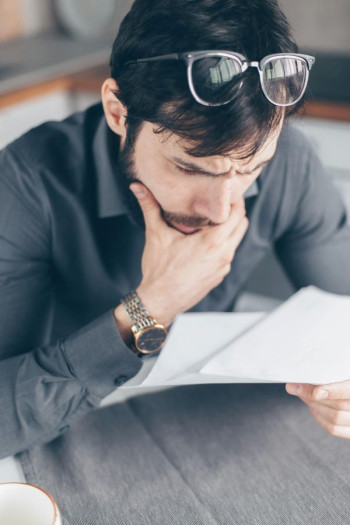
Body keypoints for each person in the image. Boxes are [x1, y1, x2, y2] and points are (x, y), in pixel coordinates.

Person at [0, 0, 350, 460]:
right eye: (190, 168)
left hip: (206, 421)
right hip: (60, 424)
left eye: (251, 170)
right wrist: (150, 308)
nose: (222, 210)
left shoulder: (291, 162)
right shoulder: (29, 182)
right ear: (118, 112)